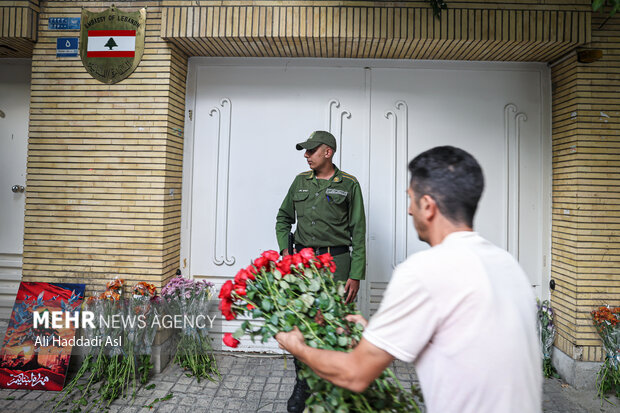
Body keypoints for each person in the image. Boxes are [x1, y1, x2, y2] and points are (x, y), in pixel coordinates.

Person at [276, 146, 542, 413]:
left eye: (411, 200)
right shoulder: (508, 266)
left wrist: (298, 347)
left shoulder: (424, 271)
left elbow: (355, 374)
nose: (409, 211)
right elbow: (462, 339)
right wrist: (373, 331)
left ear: (427, 206)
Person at [275, 130, 367, 413]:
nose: (306, 155)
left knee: (333, 324)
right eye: (305, 151)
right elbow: (283, 219)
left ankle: (332, 388)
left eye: (311, 150)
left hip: (337, 264)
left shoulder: (349, 185)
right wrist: (286, 253)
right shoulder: (300, 182)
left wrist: (356, 274)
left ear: (328, 152)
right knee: (302, 324)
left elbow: (359, 232)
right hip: (303, 264)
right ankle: (303, 383)